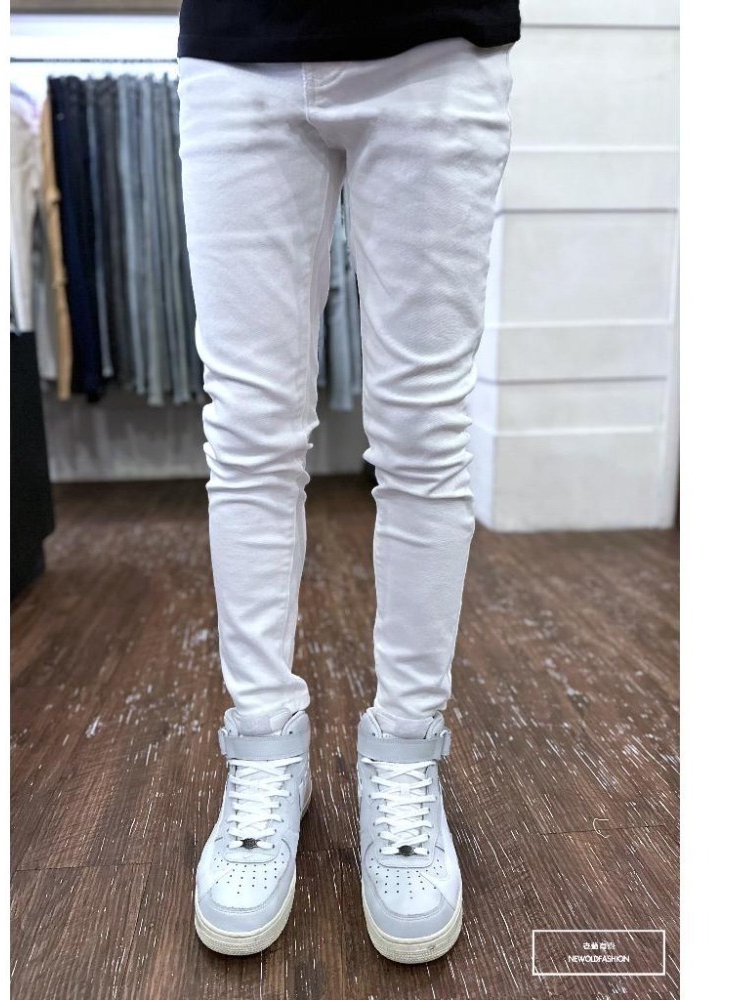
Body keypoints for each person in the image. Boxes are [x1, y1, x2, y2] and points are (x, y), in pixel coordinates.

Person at [177, 0, 521, 964]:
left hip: (438, 41)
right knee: (248, 430)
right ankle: (264, 741)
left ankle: (406, 747)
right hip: (239, 41)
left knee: (423, 433)